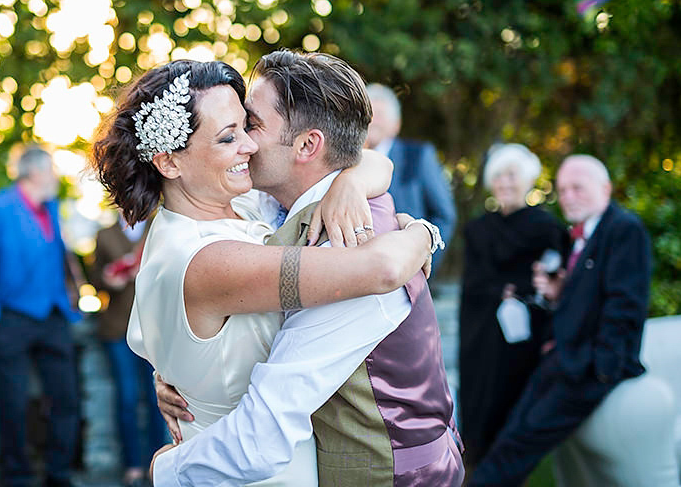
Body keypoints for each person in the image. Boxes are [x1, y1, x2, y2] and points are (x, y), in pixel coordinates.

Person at [92, 58, 435, 487]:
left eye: (247, 126)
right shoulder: (214, 260)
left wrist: (352, 180)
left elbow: (366, 160)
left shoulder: (231, 208)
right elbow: (383, 268)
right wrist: (421, 233)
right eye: (228, 137)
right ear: (169, 163)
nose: (249, 146)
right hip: (247, 466)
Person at [469, 154, 653, 486]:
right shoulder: (583, 236)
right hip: (559, 361)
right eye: (563, 189)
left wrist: (600, 368)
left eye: (577, 188)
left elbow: (625, 307)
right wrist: (558, 294)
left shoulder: (623, 230)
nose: (568, 196)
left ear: (605, 188)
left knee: (515, 448)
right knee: (509, 439)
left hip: (583, 370)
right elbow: (587, 299)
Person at [0, 145, 83, 487]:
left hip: (53, 317)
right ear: (34, 173)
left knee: (67, 400)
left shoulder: (52, 208)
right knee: (12, 406)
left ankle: (59, 475)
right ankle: (16, 478)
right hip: (10, 320)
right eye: (52, 170)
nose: (57, 177)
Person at [458, 143, 569, 469]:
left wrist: (518, 290)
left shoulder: (545, 227)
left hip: (525, 339)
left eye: (512, 175)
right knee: (480, 404)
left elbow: (552, 279)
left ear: (527, 180)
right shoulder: (478, 229)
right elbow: (473, 284)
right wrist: (501, 291)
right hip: (482, 335)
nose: (505, 183)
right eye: (499, 176)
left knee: (516, 401)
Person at [88, 214, 167, 487]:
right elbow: (95, 279)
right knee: (127, 398)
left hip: (153, 329)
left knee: (159, 399)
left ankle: (160, 461)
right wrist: (110, 279)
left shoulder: (161, 226)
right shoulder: (105, 235)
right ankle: (132, 464)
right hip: (117, 328)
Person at [365, 83, 457, 273]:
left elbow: (444, 215)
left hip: (405, 273)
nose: (372, 120)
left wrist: (420, 266)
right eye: (367, 113)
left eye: (380, 115)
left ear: (396, 125)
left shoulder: (418, 156)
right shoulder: (345, 160)